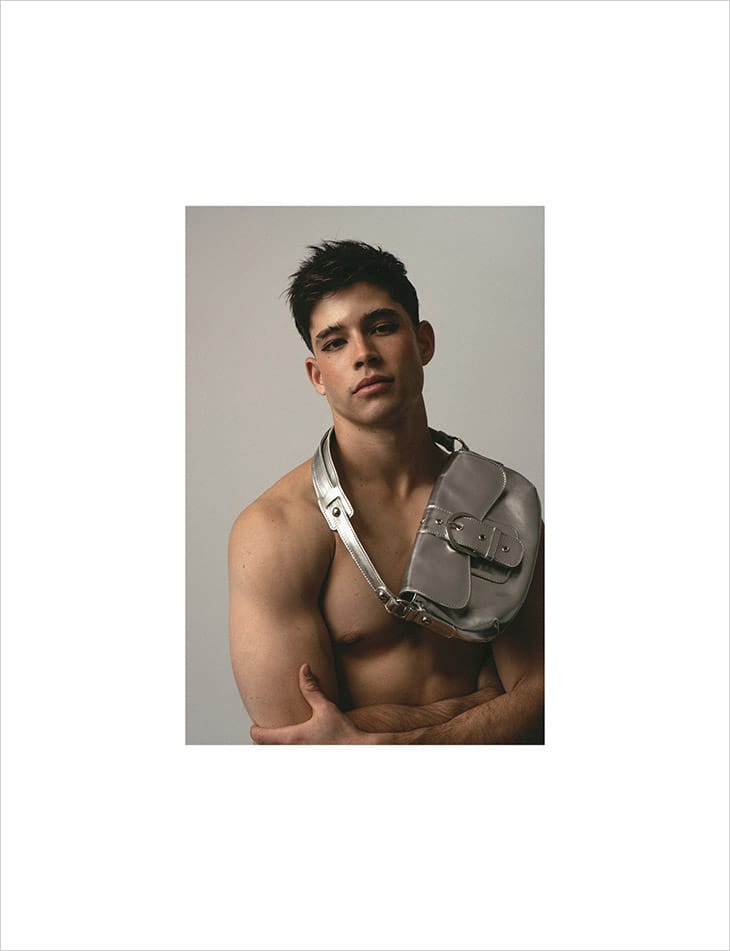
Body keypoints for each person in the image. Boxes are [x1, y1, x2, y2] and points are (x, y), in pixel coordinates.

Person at [228, 240, 544, 744]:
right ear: (317, 375)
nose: (364, 355)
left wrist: (399, 741)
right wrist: (487, 705)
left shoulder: (500, 503)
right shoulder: (274, 532)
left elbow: (548, 703)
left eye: (381, 327)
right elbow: (306, 747)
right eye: (335, 342)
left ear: (423, 342)